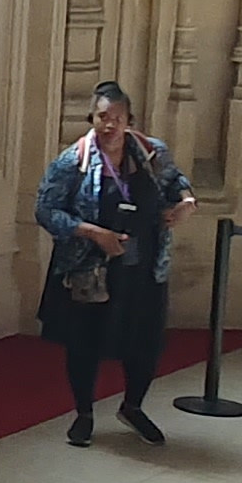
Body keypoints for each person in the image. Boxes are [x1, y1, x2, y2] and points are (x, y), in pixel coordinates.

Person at [35, 84, 190, 447]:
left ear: (129, 121)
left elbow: (177, 182)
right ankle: (84, 414)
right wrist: (90, 232)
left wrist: (186, 202)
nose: (110, 126)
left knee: (146, 341)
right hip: (93, 268)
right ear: (92, 118)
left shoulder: (151, 152)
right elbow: (45, 210)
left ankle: (133, 406)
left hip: (144, 266)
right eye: (103, 117)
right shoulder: (73, 161)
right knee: (85, 342)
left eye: (117, 119)